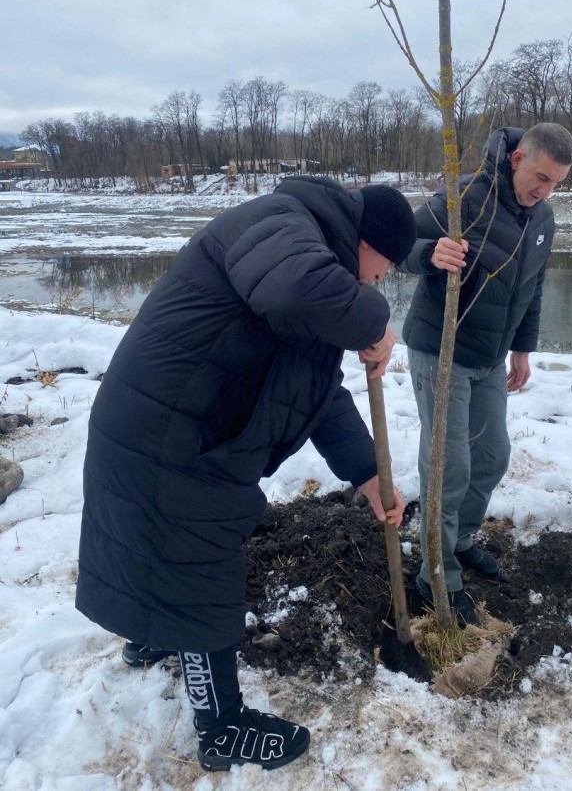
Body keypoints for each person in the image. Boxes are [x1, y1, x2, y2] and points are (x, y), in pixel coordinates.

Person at [75, 175, 416, 773]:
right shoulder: (284, 223)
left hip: (180, 427)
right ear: (365, 242)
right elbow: (296, 291)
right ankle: (222, 727)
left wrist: (368, 475)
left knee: (164, 547)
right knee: (198, 563)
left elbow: (315, 390)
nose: (374, 283)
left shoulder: (305, 246)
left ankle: (158, 630)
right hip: (172, 434)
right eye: (381, 271)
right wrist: (373, 321)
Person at [401, 124, 572, 627]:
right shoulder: (463, 199)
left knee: (493, 455)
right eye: (540, 176)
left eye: (556, 183)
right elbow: (401, 246)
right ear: (518, 158)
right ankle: (437, 574)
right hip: (442, 349)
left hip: (491, 356)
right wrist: (430, 255)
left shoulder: (542, 218)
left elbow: (534, 287)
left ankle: (461, 540)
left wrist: (523, 348)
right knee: (448, 466)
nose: (545, 190)